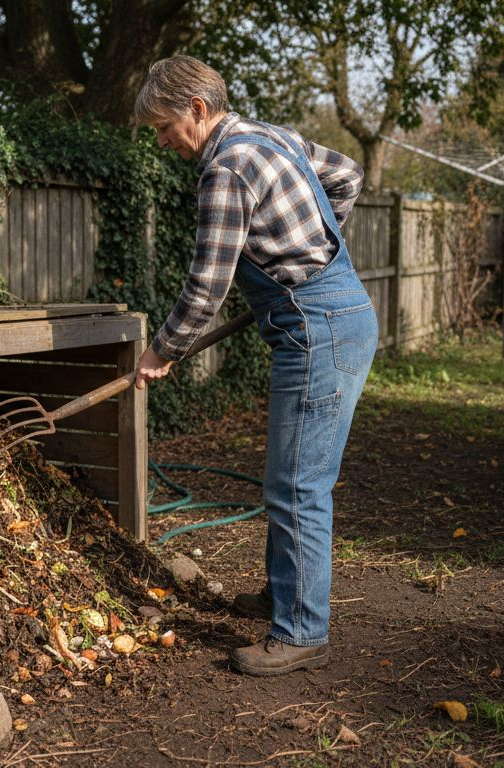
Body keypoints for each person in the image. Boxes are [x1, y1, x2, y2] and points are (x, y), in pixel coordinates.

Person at [132, 55, 378, 676]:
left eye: (164, 127)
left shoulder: (226, 167)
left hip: (317, 328)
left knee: (298, 483)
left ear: (196, 109)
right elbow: (347, 176)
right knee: (290, 472)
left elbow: (205, 287)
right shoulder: (272, 137)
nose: (162, 141)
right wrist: (309, 252)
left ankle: (301, 630)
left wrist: (161, 350)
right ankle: (282, 593)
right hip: (331, 314)